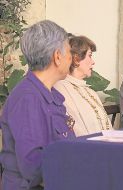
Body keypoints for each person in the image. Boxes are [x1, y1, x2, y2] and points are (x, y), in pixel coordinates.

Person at [0, 20, 76, 190]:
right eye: (70, 53)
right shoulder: (28, 98)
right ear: (57, 57)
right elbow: (33, 167)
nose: (71, 59)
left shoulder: (48, 94)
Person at [54, 35, 112, 136]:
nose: (93, 62)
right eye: (89, 55)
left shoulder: (90, 92)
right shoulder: (60, 88)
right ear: (76, 58)